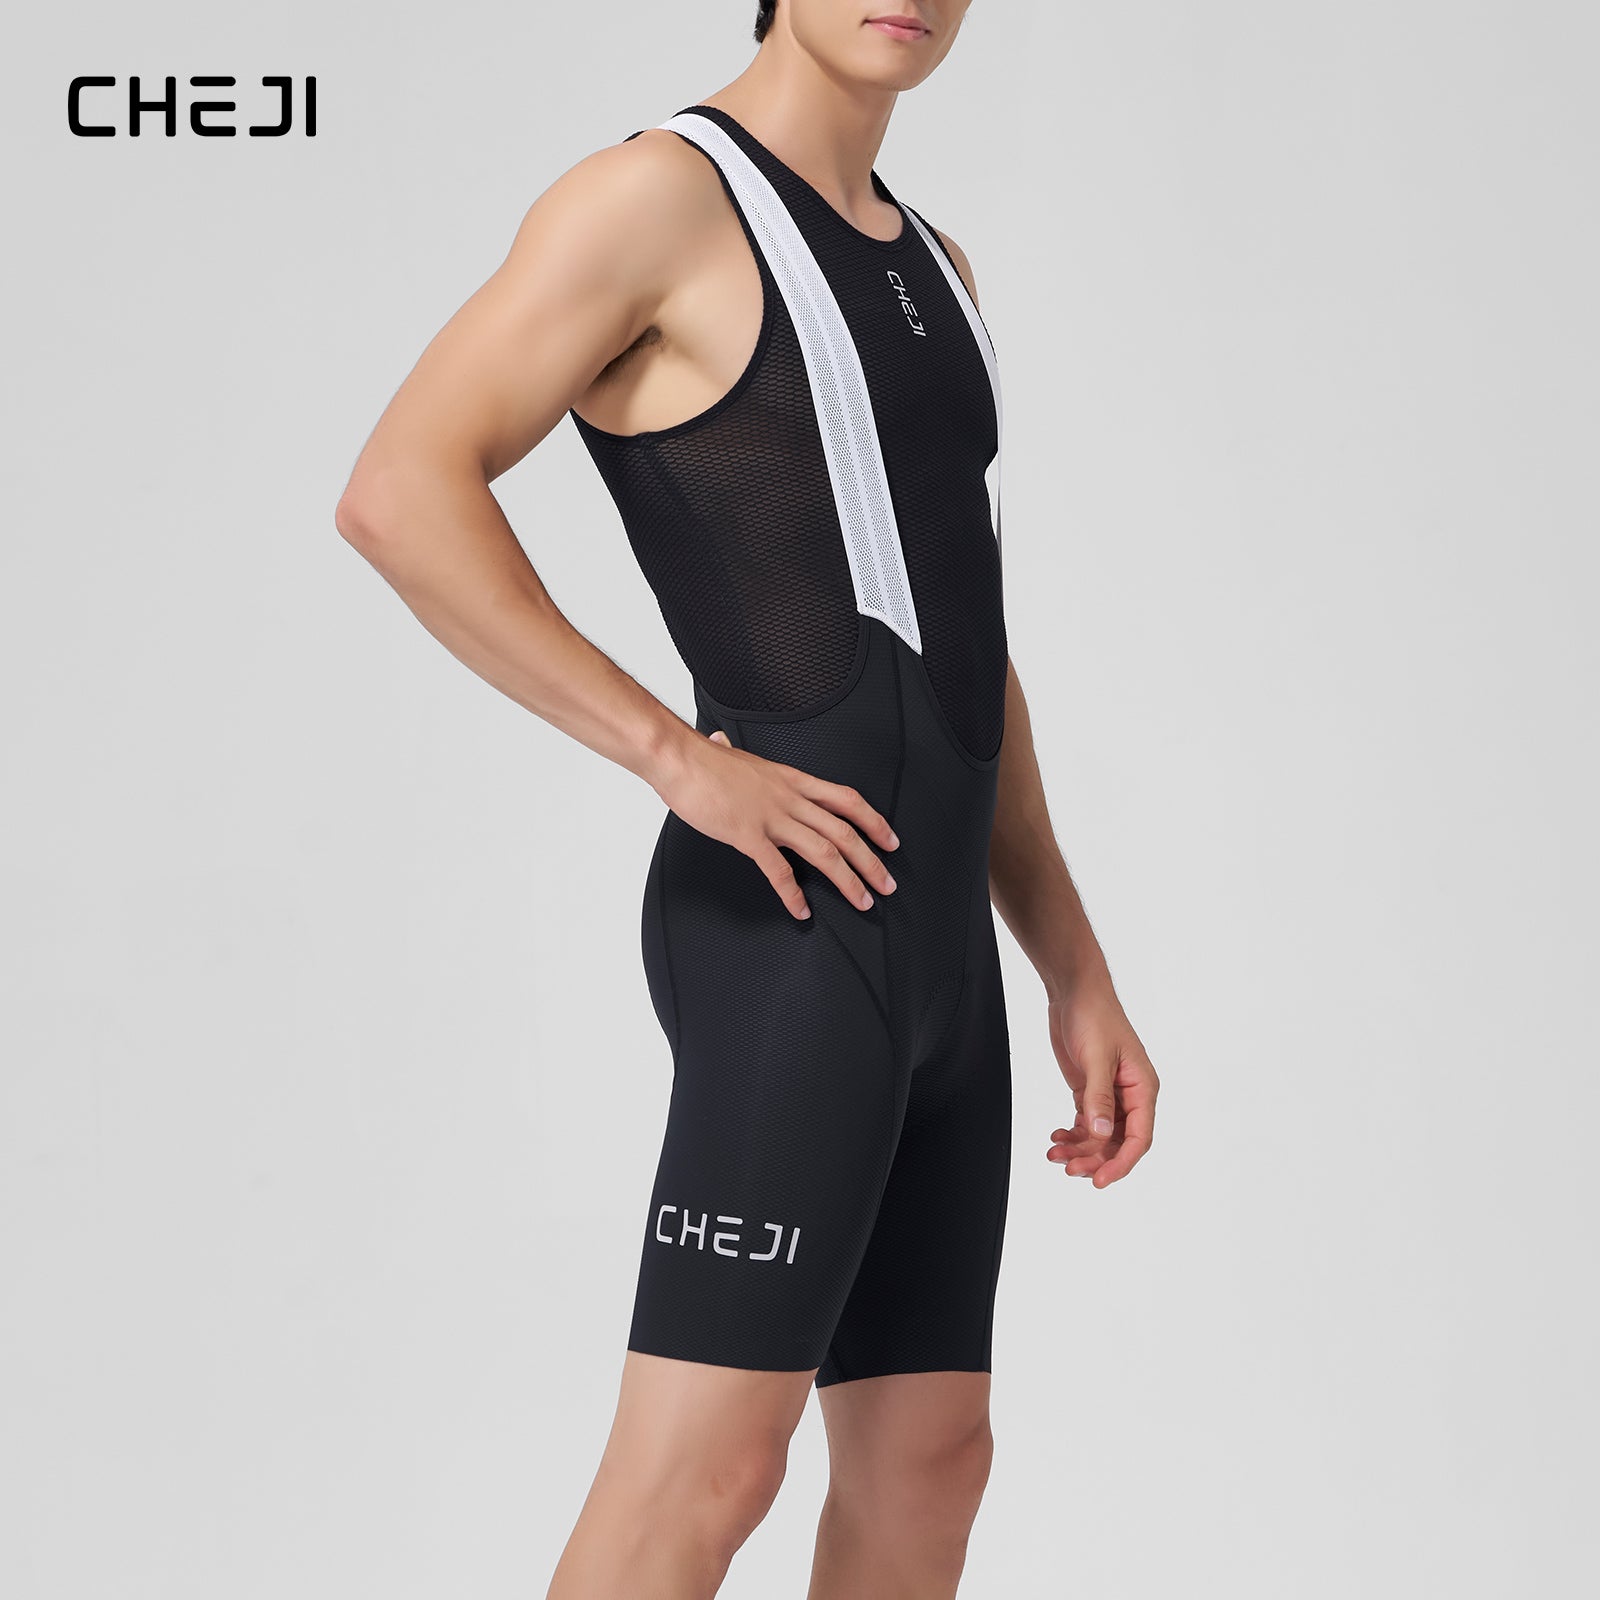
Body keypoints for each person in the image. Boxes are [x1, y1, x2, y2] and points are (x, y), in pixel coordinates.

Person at [335, 3, 1160, 1595]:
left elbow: (968, 654)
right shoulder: (654, 198)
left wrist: (1071, 962)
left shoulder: (938, 269)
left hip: (940, 962)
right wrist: (676, 756)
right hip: (794, 945)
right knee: (705, 1478)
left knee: (931, 1461)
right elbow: (399, 489)